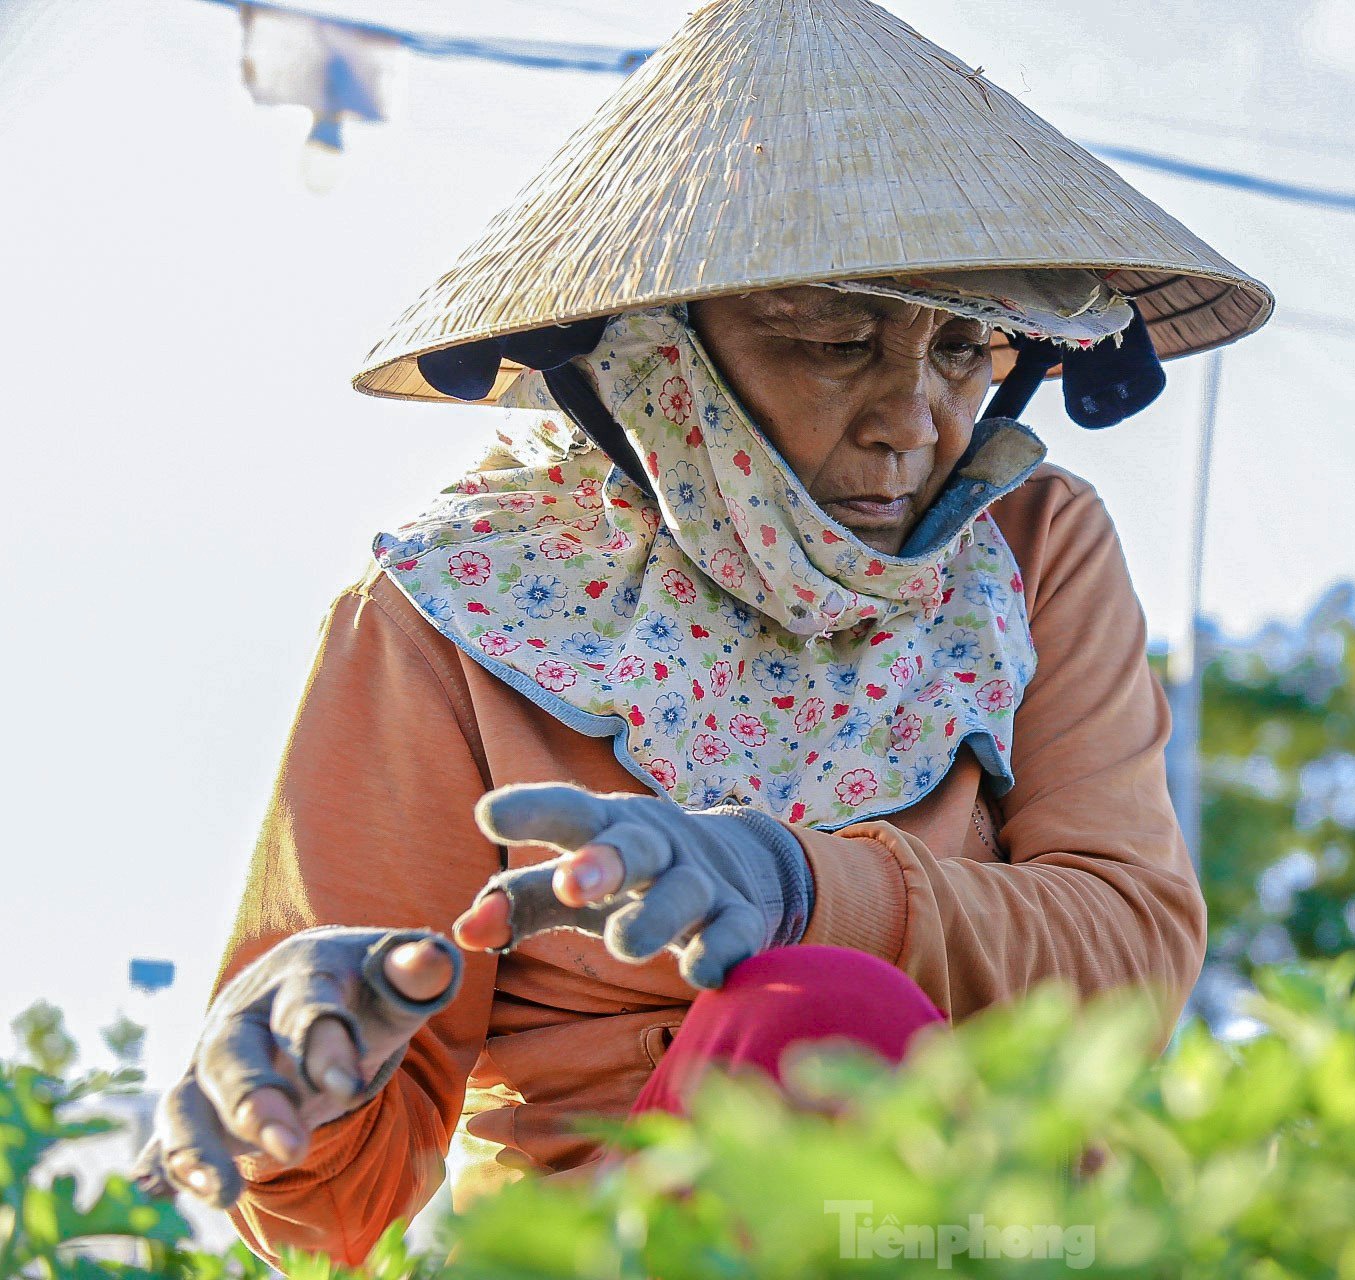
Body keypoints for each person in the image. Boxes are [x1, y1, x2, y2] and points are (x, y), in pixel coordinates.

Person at [135, 0, 1272, 1265]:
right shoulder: (447, 608)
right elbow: (333, 1213)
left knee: (824, 999)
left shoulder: (1029, 547)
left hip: (983, 1222)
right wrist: (304, 1092)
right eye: (839, 341)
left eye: (965, 348)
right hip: (618, 1244)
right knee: (810, 1011)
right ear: (651, 352)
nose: (917, 421)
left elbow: (1133, 958)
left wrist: (801, 886)